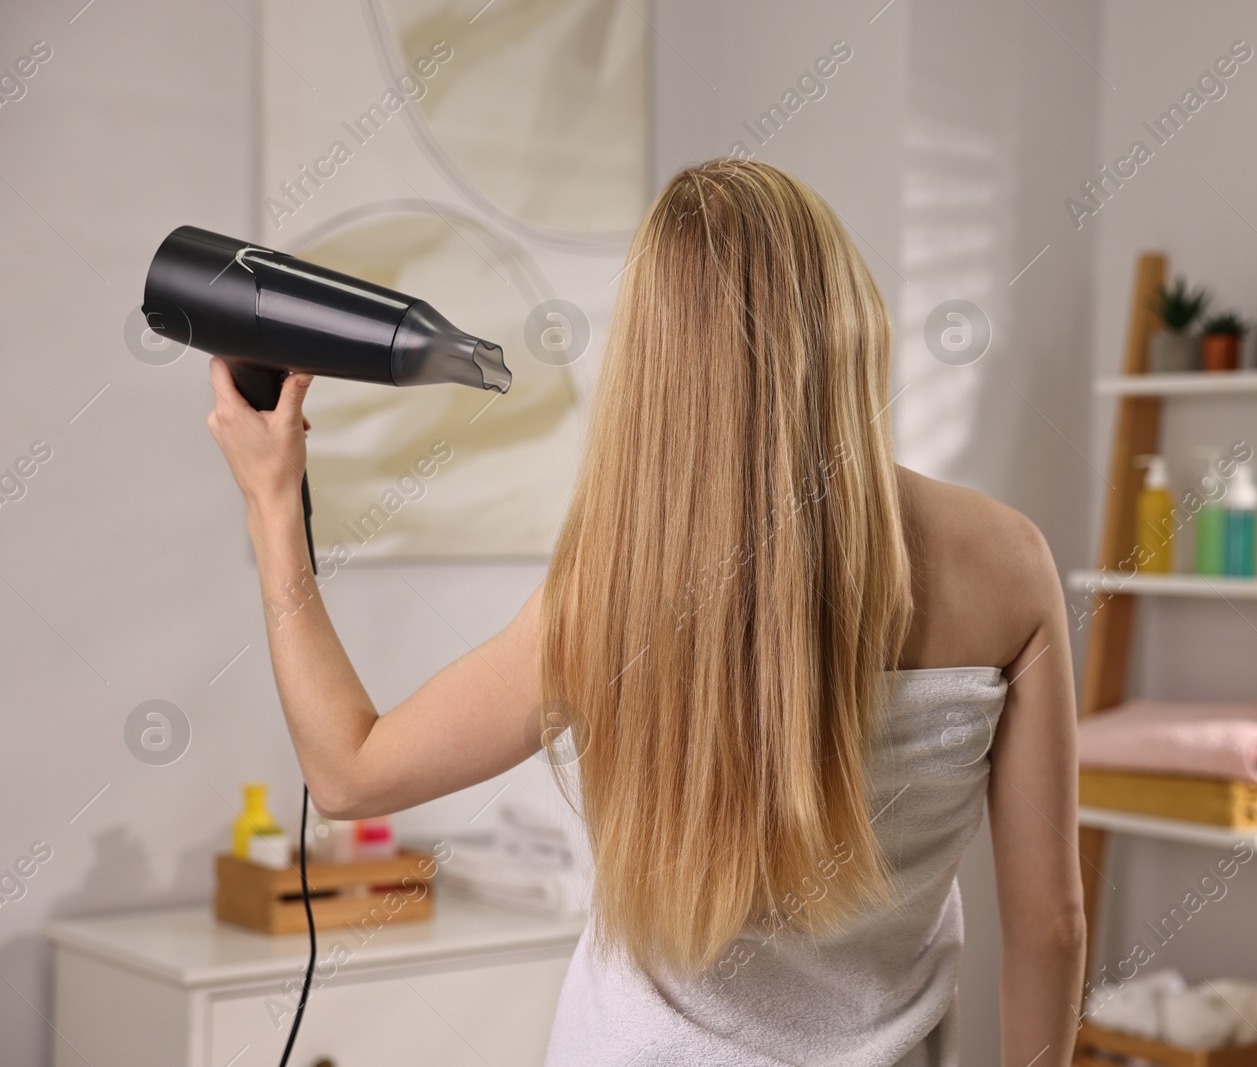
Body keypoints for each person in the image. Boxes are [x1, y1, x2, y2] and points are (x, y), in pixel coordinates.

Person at [206, 158, 1085, 1066]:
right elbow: (1050, 926)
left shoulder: (611, 593)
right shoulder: (1009, 564)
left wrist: (275, 507)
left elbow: (349, 773)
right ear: (850, 320)